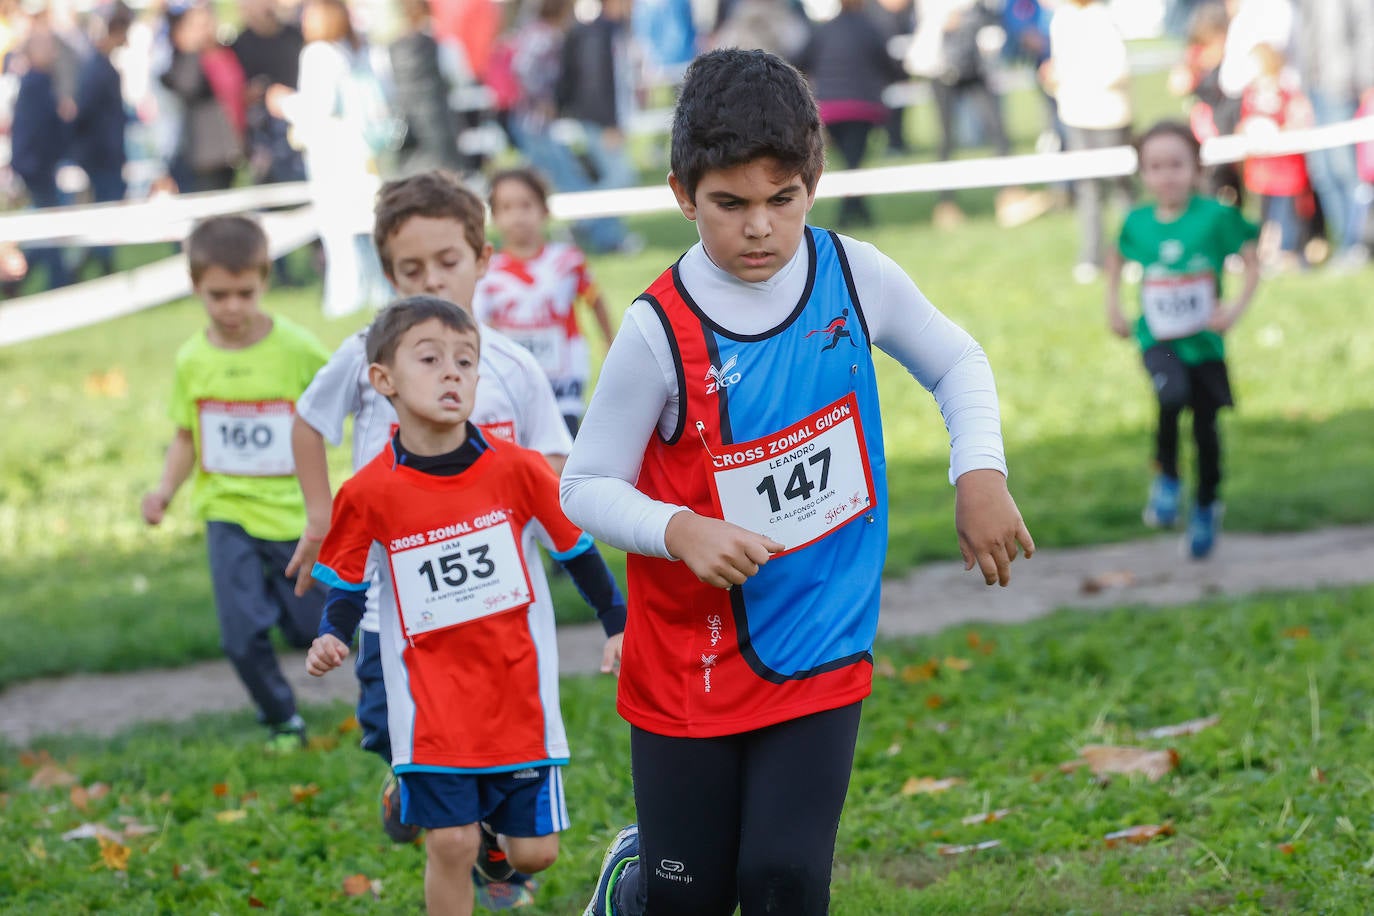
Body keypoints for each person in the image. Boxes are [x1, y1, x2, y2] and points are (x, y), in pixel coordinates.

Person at [562, 49, 1034, 916]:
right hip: (689, 655)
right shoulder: (658, 331)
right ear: (682, 195)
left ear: (814, 180)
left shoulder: (854, 275)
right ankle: (636, 887)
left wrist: (980, 473)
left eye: (783, 200)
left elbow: (958, 360)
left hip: (820, 630)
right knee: (688, 902)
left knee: (783, 882)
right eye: (729, 204)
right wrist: (681, 530)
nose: (760, 229)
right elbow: (584, 483)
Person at [286, 169, 581, 904]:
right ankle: (417, 799)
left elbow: (553, 461)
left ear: (483, 257)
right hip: (392, 615)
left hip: (492, 618)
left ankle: (477, 842)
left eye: (448, 261)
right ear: (387, 275)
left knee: (490, 768)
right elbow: (309, 422)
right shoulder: (367, 354)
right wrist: (322, 517)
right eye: (410, 269)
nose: (433, 279)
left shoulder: (509, 368)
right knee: (407, 743)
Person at [305, 296, 625, 916]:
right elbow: (347, 576)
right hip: (430, 706)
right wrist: (332, 633)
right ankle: (428, 805)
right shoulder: (368, 491)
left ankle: (489, 848)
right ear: (383, 381)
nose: (453, 372)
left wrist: (616, 622)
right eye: (430, 359)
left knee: (535, 855)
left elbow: (576, 548)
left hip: (517, 699)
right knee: (449, 843)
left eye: (466, 361)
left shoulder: (519, 470)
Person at [141, 215, 330, 751]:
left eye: (244, 293)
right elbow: (186, 436)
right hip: (226, 512)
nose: (231, 307)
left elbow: (343, 397)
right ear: (196, 287)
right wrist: (163, 492)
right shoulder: (192, 360)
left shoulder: (297, 349)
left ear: (264, 280)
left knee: (310, 628)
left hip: (293, 516)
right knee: (240, 634)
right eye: (217, 294)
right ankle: (281, 719)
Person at [1104, 121, 1260, 559]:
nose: (1166, 176)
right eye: (1155, 167)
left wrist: (1235, 309)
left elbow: (1251, 259)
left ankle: (1208, 504)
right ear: (1142, 174)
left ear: (1196, 169)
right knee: (1170, 396)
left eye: (1176, 165)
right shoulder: (1137, 222)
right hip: (1158, 338)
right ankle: (1167, 479)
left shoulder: (1214, 217)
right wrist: (1113, 306)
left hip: (1205, 344)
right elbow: (1115, 257)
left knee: (1206, 427)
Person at [267, 0, 393, 318]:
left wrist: (284, 103)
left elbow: (317, 107)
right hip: (363, 152)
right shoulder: (355, 49)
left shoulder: (319, 54)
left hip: (333, 155)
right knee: (366, 230)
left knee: (339, 233)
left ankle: (344, 300)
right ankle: (376, 294)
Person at [474, 168, 615, 436]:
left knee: (564, 440)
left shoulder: (567, 261)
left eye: (526, 205)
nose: (517, 216)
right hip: (511, 377)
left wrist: (609, 344)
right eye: (506, 207)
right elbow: (478, 321)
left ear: (544, 210)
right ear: (494, 216)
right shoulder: (488, 270)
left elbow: (595, 300)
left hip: (564, 376)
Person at [791, 0, 906, 228]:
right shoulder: (871, 28)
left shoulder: (823, 30)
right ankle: (852, 215)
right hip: (863, 107)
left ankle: (855, 213)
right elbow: (889, 66)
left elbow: (798, 62)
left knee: (852, 161)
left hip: (830, 109)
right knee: (854, 161)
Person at [1045, 0, 1136, 284]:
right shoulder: (1061, 21)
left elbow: (1118, 69)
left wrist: (1081, 79)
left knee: (1120, 187)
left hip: (1109, 115)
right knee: (1087, 188)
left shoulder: (1104, 20)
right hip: (1075, 114)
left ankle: (1133, 253)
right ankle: (1091, 256)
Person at [72, 1, 133, 278]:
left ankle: (86, 265)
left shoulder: (100, 66)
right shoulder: (97, 69)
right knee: (103, 212)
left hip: (106, 154)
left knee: (104, 211)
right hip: (101, 156)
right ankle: (91, 266)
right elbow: (85, 113)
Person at [9, 23, 73, 290]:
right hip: (36, 165)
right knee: (48, 223)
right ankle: (56, 277)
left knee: (47, 221)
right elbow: (39, 129)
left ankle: (27, 275)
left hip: (37, 163)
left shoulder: (38, 80)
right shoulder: (35, 82)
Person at [1238, 43, 1311, 272]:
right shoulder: (1251, 94)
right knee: (1265, 212)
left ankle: (1288, 251)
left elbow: (1299, 119)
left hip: (1285, 166)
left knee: (1286, 212)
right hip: (1262, 167)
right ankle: (1267, 251)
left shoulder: (1286, 91)